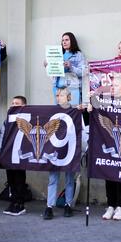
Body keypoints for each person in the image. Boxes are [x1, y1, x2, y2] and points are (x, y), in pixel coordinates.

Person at [100, 75, 121, 221]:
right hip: (109, 145)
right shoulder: (105, 102)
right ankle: (111, 205)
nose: (113, 88)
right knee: (109, 175)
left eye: (116, 85)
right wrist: (89, 106)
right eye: (112, 85)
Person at [43, 87, 77, 220]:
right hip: (55, 149)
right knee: (53, 179)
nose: (59, 97)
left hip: (71, 149)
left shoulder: (75, 111)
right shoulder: (52, 111)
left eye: (62, 95)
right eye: (57, 95)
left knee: (69, 179)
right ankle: (49, 206)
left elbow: (81, 129)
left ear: (68, 97)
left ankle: (68, 204)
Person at [0, 95, 28, 216]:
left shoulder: (27, 120)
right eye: (12, 103)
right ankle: (13, 201)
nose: (13, 105)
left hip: (20, 154)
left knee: (19, 178)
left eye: (17, 103)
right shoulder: (8, 120)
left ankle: (20, 204)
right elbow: (1, 135)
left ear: (24, 106)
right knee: (10, 179)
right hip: (8, 154)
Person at [44, 32, 86, 105]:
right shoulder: (58, 55)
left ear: (72, 41)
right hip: (58, 89)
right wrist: (48, 66)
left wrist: (71, 67)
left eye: (67, 40)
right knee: (59, 114)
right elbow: (53, 75)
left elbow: (83, 72)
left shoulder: (79, 55)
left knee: (73, 113)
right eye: (63, 40)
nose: (64, 42)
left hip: (73, 89)